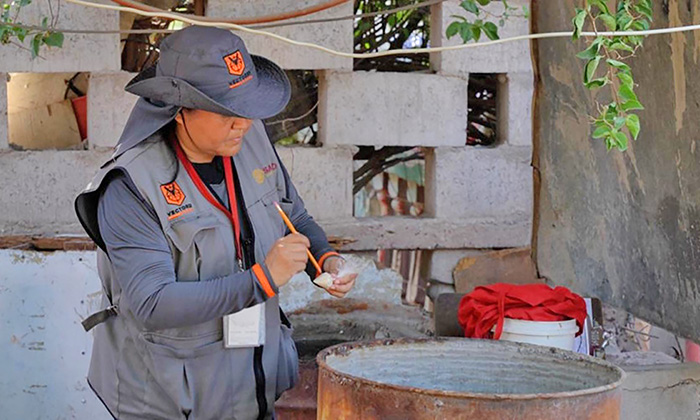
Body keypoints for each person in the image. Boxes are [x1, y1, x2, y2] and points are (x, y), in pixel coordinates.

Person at [74, 25, 356, 420]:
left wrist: (325, 260)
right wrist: (262, 279)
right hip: (171, 401)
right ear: (178, 109)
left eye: (246, 106)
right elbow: (152, 303)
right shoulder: (130, 187)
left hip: (251, 387)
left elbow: (293, 215)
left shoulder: (248, 137)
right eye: (226, 109)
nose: (243, 121)